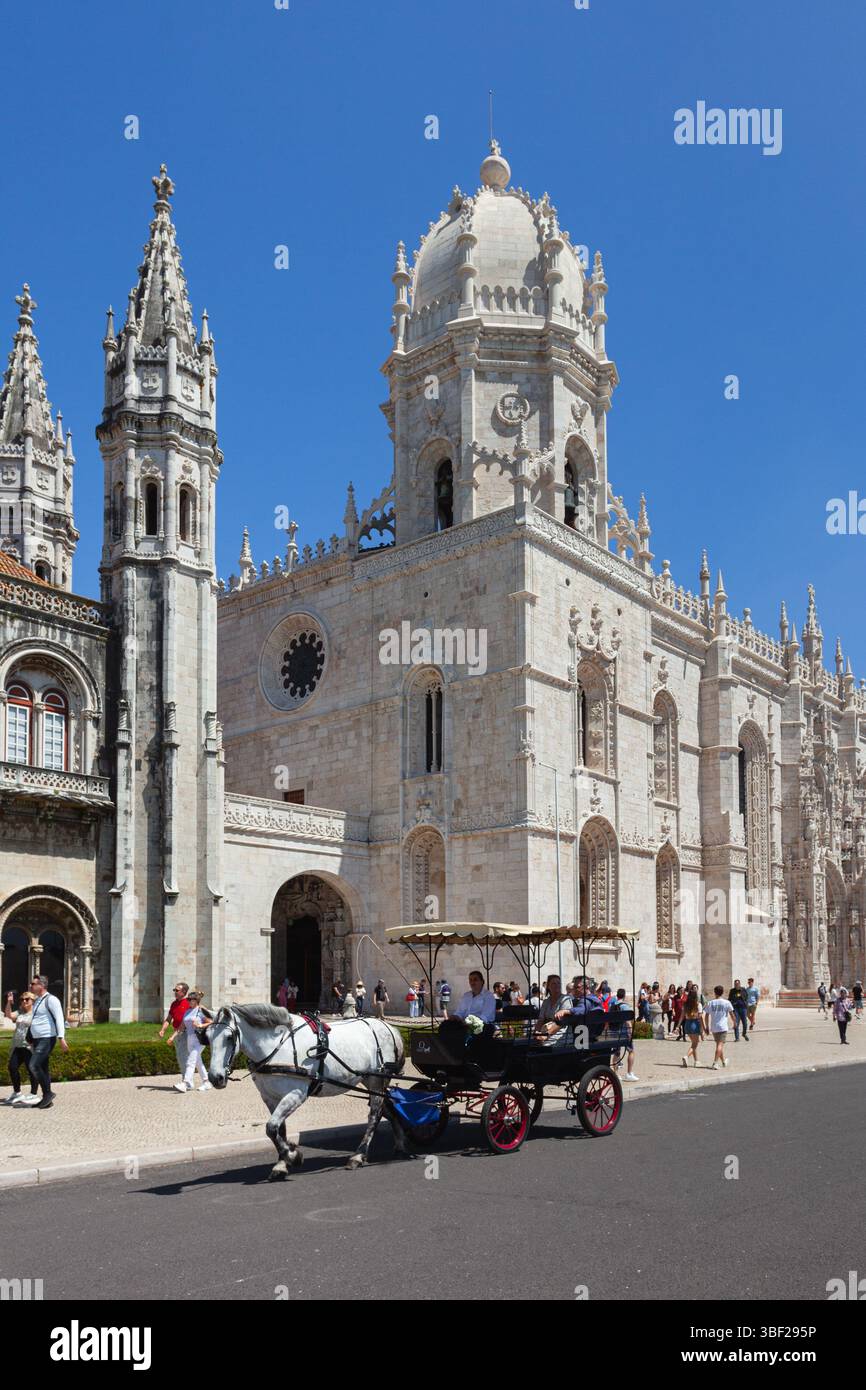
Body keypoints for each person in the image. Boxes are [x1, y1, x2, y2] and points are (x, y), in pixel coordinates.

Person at [26, 975, 68, 1108]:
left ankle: (48, 1093)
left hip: (47, 1038)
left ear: (41, 986)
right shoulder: (38, 1000)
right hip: (38, 1039)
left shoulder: (52, 1000)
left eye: (33, 984)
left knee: (34, 1065)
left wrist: (61, 1038)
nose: (30, 986)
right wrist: (31, 1037)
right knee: (43, 1068)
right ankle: (46, 1098)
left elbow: (60, 1018)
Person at [172, 989, 213, 1092]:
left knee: (191, 1061)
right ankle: (206, 1082)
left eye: (191, 999)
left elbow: (211, 1022)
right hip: (190, 1039)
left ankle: (185, 1083)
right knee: (198, 1061)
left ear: (196, 1001)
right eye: (188, 999)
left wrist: (200, 1025)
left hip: (199, 1039)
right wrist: (172, 1037)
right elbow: (181, 1027)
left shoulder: (201, 1011)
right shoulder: (187, 1011)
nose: (188, 1001)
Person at [3, 989, 37, 1106]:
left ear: (33, 1001)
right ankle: (17, 1093)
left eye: (27, 999)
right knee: (12, 1067)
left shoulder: (36, 1014)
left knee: (31, 1070)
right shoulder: (20, 1012)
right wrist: (9, 1002)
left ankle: (34, 1094)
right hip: (17, 1046)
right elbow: (8, 1015)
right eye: (22, 999)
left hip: (29, 1047)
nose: (24, 1001)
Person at [534, 974, 574, 1041]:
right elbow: (540, 1020)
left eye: (558, 983)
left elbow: (560, 1022)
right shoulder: (546, 1002)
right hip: (545, 1032)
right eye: (554, 983)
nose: (557, 985)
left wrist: (546, 1035)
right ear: (548, 986)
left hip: (561, 1035)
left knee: (544, 1046)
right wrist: (536, 1033)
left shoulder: (566, 999)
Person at [611, 987, 639, 1081]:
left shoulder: (612, 1005)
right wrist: (630, 1032)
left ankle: (615, 1074)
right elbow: (628, 1022)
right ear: (624, 995)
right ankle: (629, 1073)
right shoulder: (624, 1006)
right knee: (631, 1051)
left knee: (616, 1052)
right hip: (623, 1032)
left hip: (614, 1032)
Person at [704, 985, 734, 1070]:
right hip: (723, 1027)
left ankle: (723, 1061)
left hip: (714, 1027)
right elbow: (732, 1014)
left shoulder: (710, 1002)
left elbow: (706, 1015)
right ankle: (715, 1063)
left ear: (714, 992)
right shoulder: (727, 1002)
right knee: (720, 1046)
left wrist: (706, 1027)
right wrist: (735, 1023)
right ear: (723, 992)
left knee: (718, 1045)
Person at [681, 987, 705, 1067]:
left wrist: (677, 1026)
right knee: (695, 1044)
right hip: (694, 1024)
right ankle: (686, 1056)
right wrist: (703, 1029)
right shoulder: (698, 1004)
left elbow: (682, 1016)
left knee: (693, 1043)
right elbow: (700, 1017)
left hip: (687, 1024)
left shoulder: (685, 1004)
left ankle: (696, 1061)